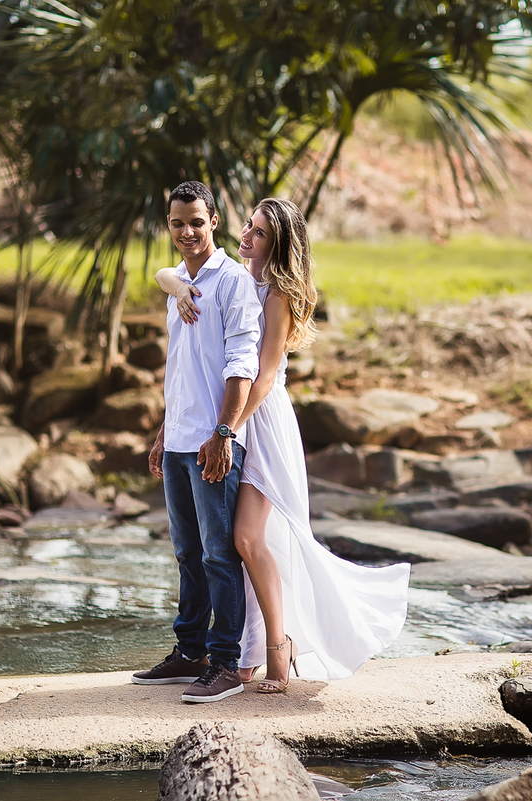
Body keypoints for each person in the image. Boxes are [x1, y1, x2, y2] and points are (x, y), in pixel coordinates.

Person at [156, 198, 409, 692]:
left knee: (249, 539)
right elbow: (168, 272)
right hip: (229, 417)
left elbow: (266, 376)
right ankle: (244, 653)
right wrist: (180, 286)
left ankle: (278, 649)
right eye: (248, 226)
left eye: (260, 233)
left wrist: (227, 430)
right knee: (238, 543)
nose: (247, 236)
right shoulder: (233, 279)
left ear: (278, 245)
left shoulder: (276, 294)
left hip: (261, 421)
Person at [131, 180, 263, 704]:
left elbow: (242, 364)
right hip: (180, 438)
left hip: (215, 442)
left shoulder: (233, 283)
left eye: (196, 222)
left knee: (217, 555)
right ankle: (190, 653)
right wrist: (165, 431)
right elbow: (182, 366)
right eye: (177, 224)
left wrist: (224, 433)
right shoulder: (179, 283)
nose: (186, 232)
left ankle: (226, 662)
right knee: (187, 552)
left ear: (214, 222)